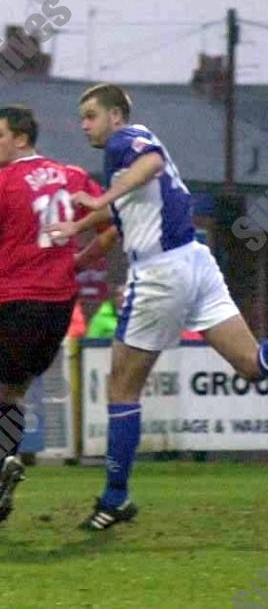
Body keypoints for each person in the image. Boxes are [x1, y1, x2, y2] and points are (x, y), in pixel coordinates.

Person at [45, 83, 268, 530]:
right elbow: (124, 207)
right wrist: (80, 231)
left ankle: (115, 499)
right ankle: (115, 498)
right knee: (252, 365)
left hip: (162, 273)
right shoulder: (126, 155)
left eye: (91, 115)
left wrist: (101, 199)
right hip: (194, 260)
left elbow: (150, 165)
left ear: (115, 116)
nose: (84, 124)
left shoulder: (127, 141)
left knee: (121, 390)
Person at [0, 105, 107, 525]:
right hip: (59, 305)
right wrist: (79, 264)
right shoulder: (72, 175)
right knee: (12, 393)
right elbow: (110, 224)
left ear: (21, 139)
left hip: (13, 302)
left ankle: (2, 459)